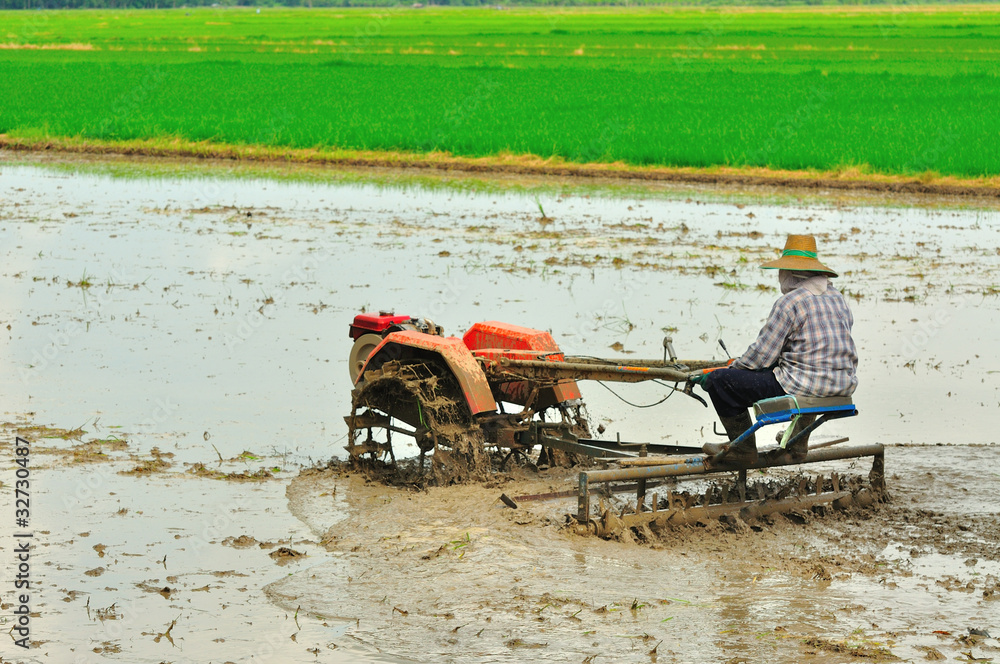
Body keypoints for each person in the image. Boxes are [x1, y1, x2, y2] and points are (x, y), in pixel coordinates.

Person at [697, 234, 858, 464]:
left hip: (807, 385)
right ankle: (798, 443)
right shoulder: (838, 298)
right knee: (804, 375)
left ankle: (742, 451)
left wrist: (733, 368)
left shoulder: (790, 302)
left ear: (789, 273)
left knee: (722, 382)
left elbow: (760, 357)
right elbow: (815, 351)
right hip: (841, 385)